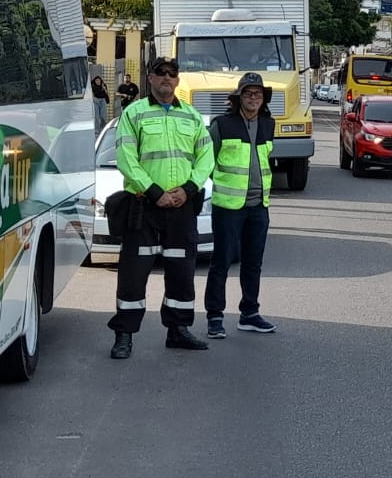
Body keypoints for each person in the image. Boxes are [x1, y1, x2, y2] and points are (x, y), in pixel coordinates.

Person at [107, 57, 213, 359]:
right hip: (144, 206)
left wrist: (189, 189)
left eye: (172, 74)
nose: (166, 78)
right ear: (150, 78)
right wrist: (154, 192)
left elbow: (206, 156)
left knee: (181, 271)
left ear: (178, 80)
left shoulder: (191, 116)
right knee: (133, 273)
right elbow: (127, 158)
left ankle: (178, 330)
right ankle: (124, 334)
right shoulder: (134, 113)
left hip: (181, 207)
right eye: (160, 73)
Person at [203, 72, 278, 338]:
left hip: (259, 206)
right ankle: (215, 316)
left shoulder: (269, 125)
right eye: (248, 93)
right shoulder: (222, 125)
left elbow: (266, 160)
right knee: (221, 263)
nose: (254, 98)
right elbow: (206, 162)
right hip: (228, 207)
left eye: (258, 94)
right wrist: (225, 185)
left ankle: (249, 313)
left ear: (263, 98)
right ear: (239, 97)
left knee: (253, 264)